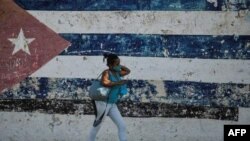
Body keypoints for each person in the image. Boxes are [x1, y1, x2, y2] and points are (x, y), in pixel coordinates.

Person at [87, 53, 131, 141]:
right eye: (116, 64)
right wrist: (119, 83)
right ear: (110, 65)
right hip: (103, 103)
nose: (119, 66)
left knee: (122, 125)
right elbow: (105, 83)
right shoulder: (106, 72)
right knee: (97, 125)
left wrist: (118, 65)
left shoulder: (117, 73)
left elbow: (128, 71)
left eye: (119, 63)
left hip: (112, 103)